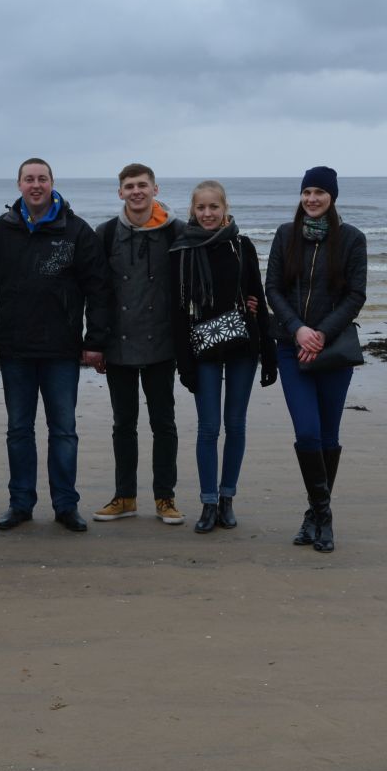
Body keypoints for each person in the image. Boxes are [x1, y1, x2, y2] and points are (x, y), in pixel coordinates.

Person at [0, 157, 109, 533]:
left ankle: (66, 505)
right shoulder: (1, 230)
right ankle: (20, 504)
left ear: (52, 183)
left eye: (42, 178)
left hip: (61, 349)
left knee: (64, 430)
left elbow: (98, 289)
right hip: (15, 348)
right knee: (18, 430)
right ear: (19, 185)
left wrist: (95, 340)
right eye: (29, 179)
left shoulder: (76, 230)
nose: (35, 184)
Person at [264, 166, 367, 554]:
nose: (312, 199)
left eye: (319, 192)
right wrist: (298, 330)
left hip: (334, 349)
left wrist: (321, 333)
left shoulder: (352, 239)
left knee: (328, 435)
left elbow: (356, 295)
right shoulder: (285, 235)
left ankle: (316, 515)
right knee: (307, 432)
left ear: (332, 197)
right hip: (292, 348)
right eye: (306, 191)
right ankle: (322, 514)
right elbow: (273, 288)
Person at [171, 180, 278, 533]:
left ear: (224, 208)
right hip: (202, 348)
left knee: (235, 424)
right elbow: (178, 312)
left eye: (213, 207)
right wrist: (184, 364)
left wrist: (269, 353)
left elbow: (257, 296)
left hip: (241, 347)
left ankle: (227, 498)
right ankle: (208, 503)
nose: (207, 214)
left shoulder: (241, 246)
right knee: (208, 428)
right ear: (193, 210)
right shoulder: (182, 249)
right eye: (201, 207)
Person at [93, 163, 185, 525]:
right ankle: (125, 497)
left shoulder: (177, 230)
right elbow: (97, 293)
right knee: (123, 424)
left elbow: (199, 274)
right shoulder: (105, 234)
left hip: (162, 342)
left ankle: (165, 498)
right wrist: (95, 341)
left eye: (142, 185)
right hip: (119, 344)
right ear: (120, 192)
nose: (136, 191)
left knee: (164, 423)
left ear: (155, 189)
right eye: (129, 186)